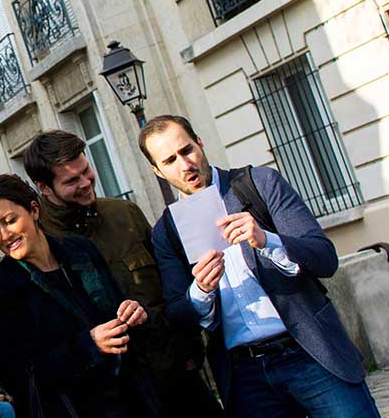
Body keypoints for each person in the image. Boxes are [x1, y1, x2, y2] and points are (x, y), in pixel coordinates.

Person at [141, 114, 380, 417]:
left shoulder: (258, 183)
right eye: (170, 160)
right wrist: (200, 290)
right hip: (245, 376)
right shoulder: (167, 230)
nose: (184, 165)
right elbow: (178, 315)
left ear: (200, 143)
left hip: (310, 353)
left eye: (187, 150)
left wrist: (268, 241)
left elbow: (324, 258)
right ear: (157, 171)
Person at [23, 130, 219, 417]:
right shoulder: (44, 247)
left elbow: (172, 285)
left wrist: (190, 354)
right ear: (44, 188)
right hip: (119, 400)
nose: (85, 183)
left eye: (86, 171)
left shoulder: (125, 213)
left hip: (178, 377)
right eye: (71, 181)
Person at [0, 174, 161, 418]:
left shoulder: (82, 250)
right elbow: (17, 379)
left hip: (136, 401)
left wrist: (137, 315)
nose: (4, 235)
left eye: (10, 220)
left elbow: (121, 316)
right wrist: (88, 345)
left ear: (34, 210)